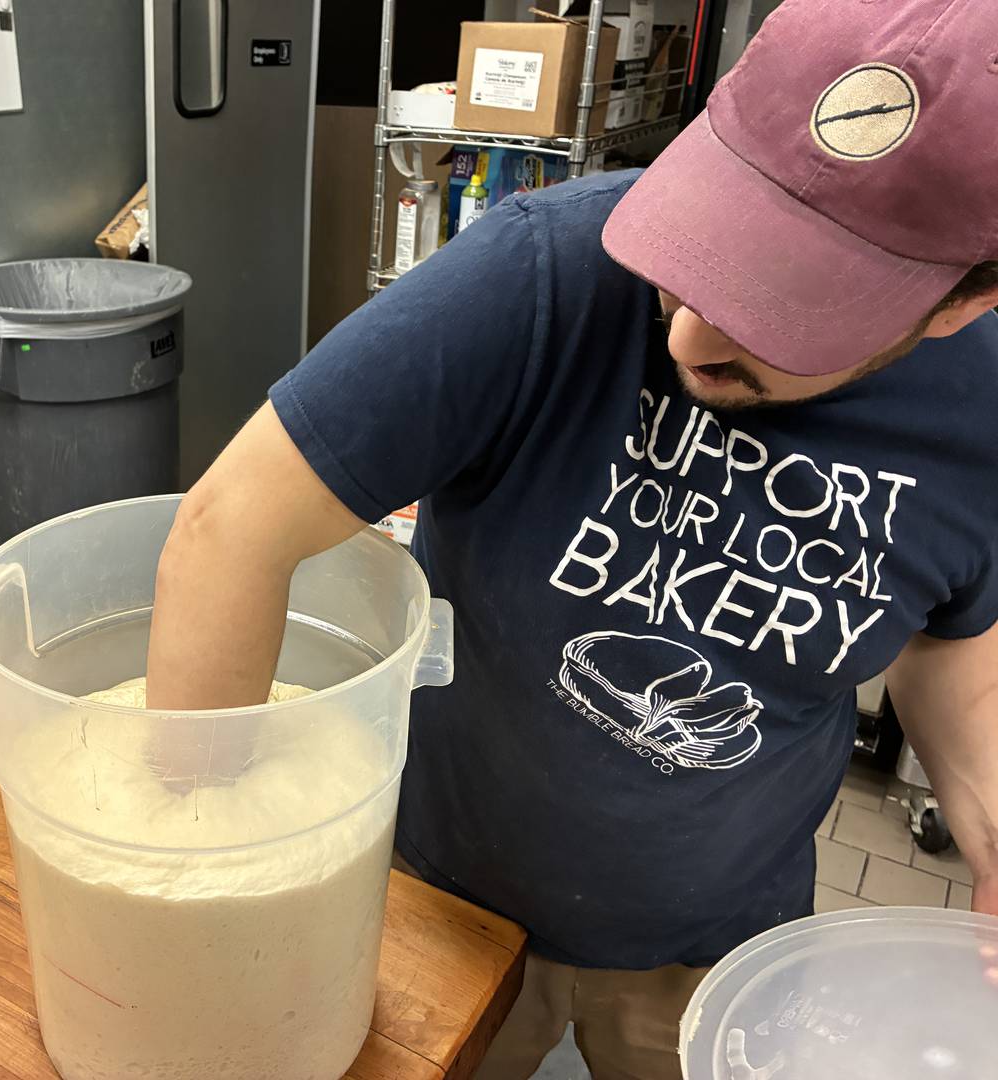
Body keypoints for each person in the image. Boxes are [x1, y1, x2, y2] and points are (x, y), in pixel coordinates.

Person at [145, 1, 998, 1076]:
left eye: (790, 300)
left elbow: (949, 635)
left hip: (718, 949)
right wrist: (189, 858)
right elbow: (232, 529)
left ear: (965, 299)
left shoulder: (982, 412)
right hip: (448, 905)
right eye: (705, 242)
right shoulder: (543, 274)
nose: (689, 329)